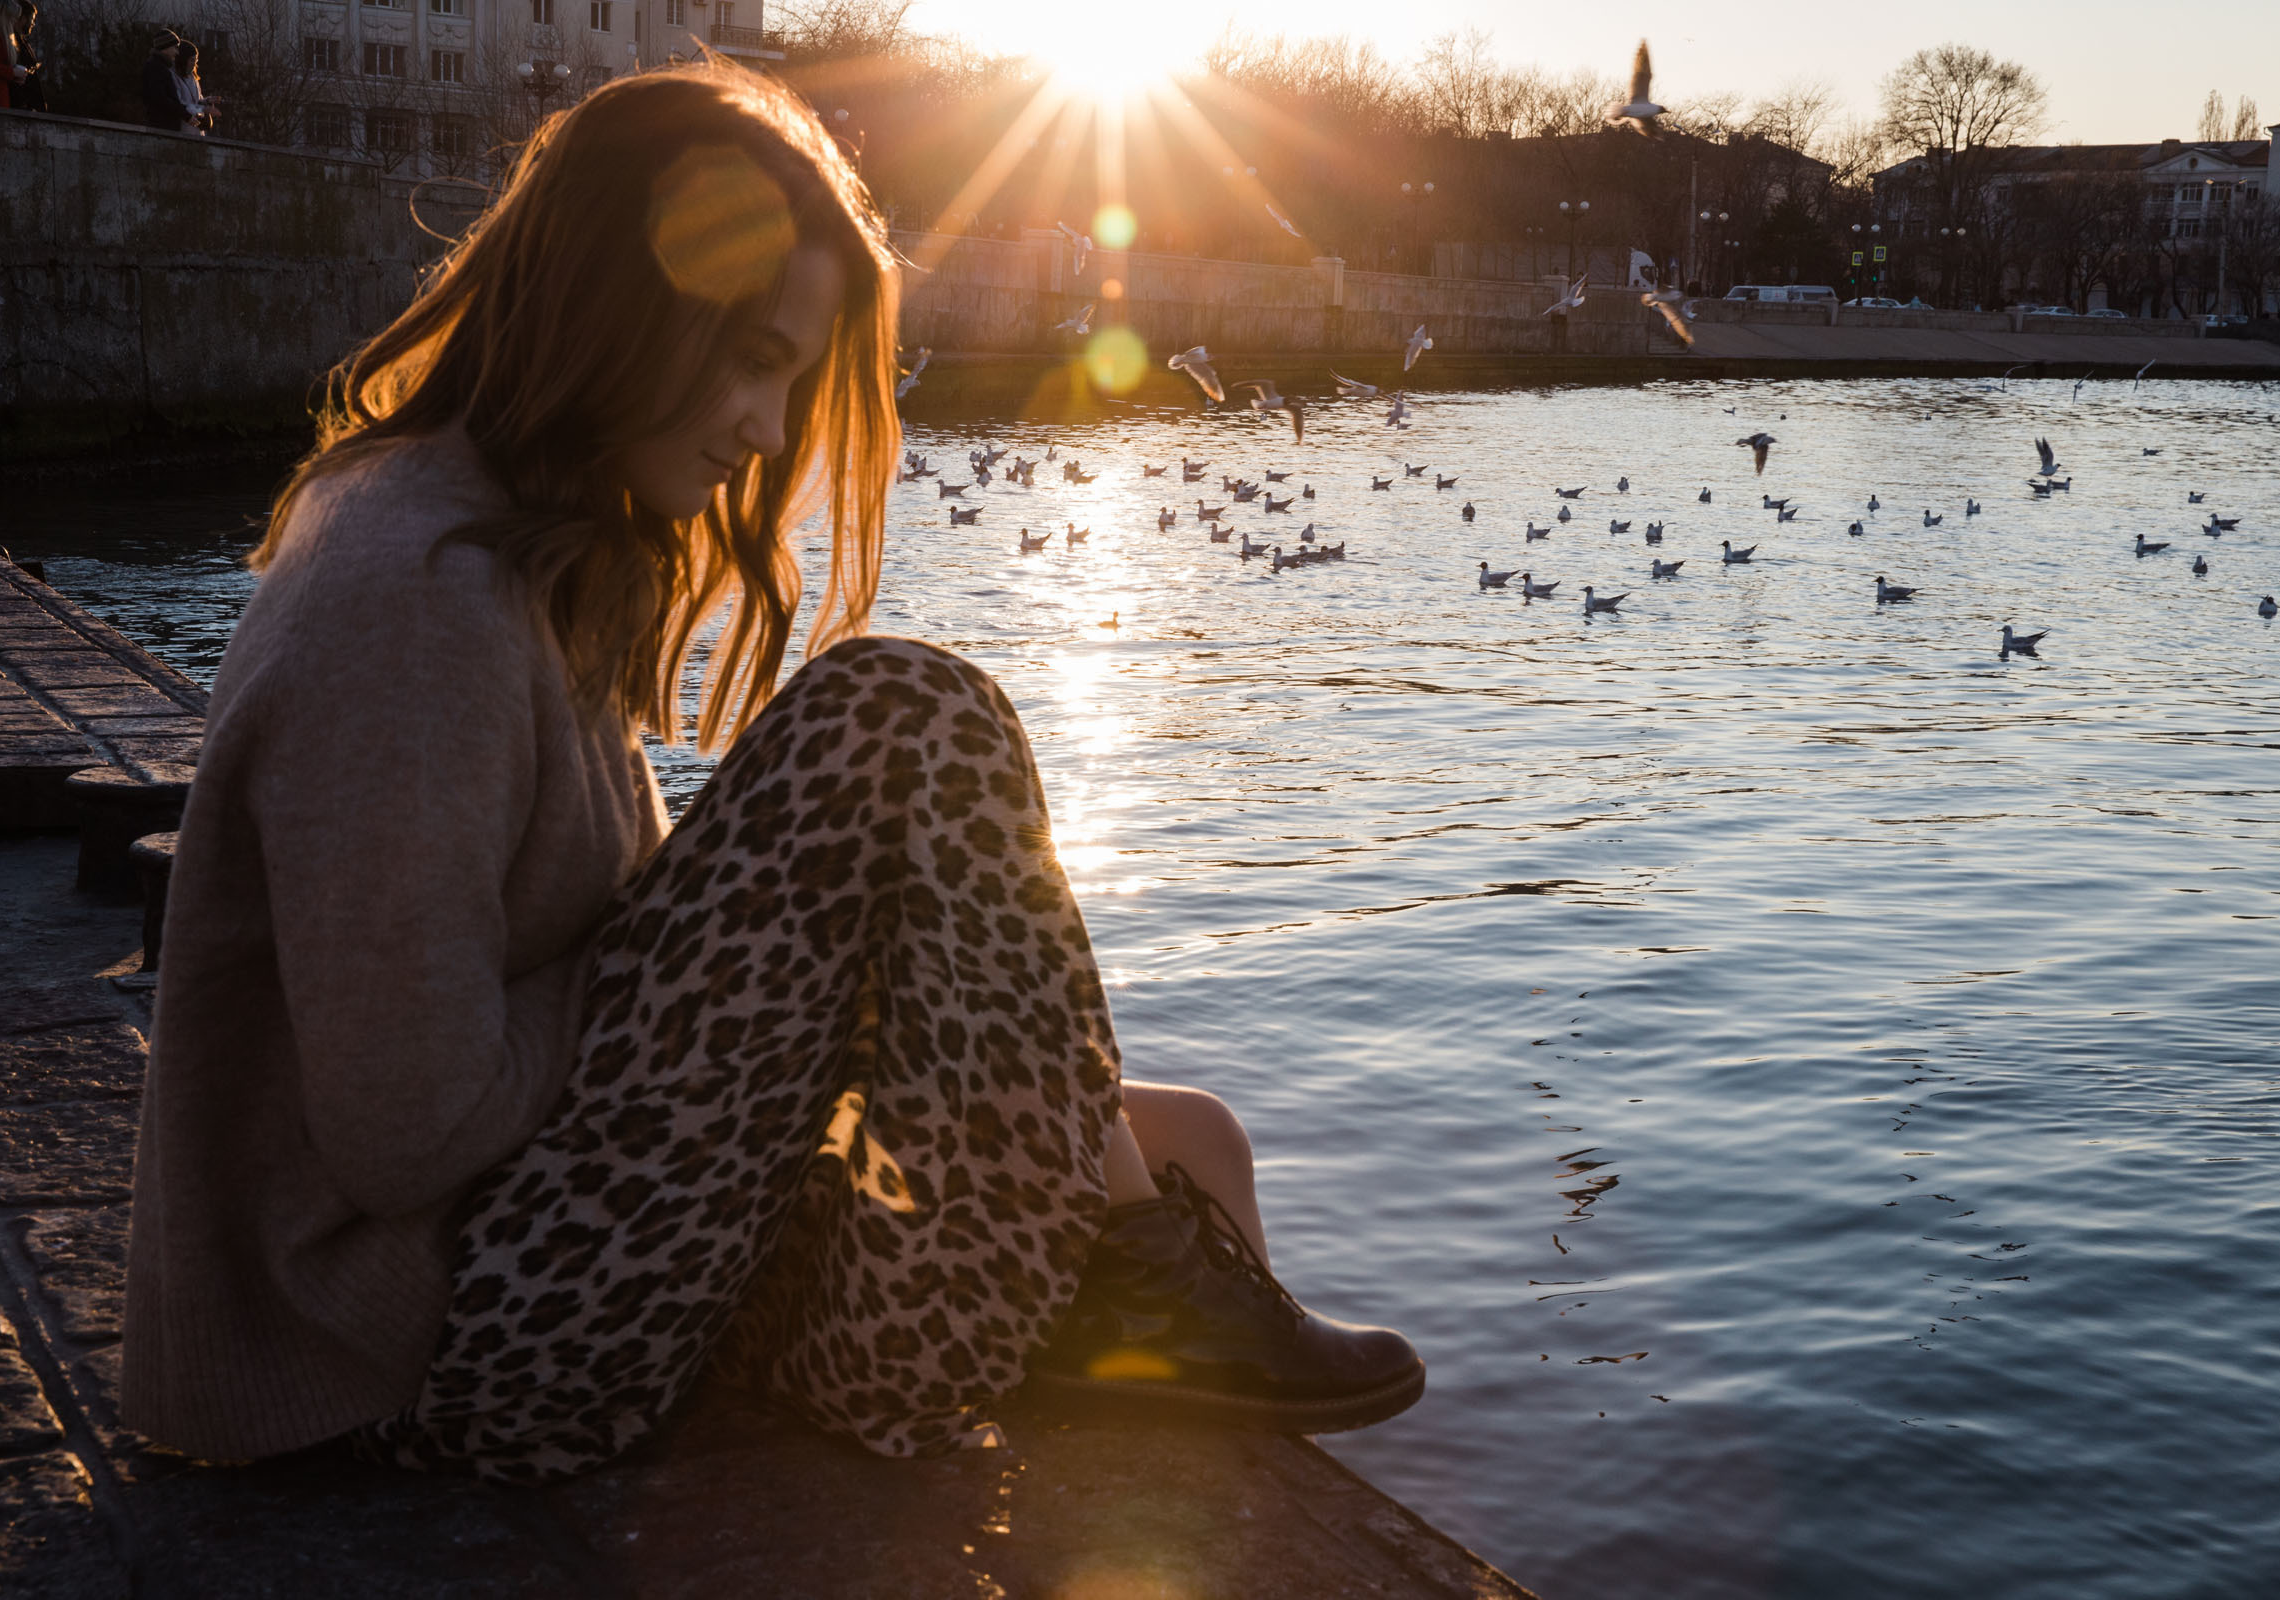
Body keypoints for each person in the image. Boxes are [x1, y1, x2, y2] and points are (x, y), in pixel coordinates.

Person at [121, 63, 1422, 1484]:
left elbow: (626, 995)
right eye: (749, 355)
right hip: (409, 1351)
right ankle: (1113, 1294)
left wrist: (787, 981)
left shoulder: (519, 550)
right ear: (617, 304)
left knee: (1188, 1143)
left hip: (548, 1261)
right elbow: (404, 1128)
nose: (764, 425)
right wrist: (778, 973)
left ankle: (1142, 1325)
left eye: (790, 375)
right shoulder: (412, 598)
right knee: (902, 719)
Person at [140, 30, 185, 132]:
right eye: (175, 48)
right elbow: (160, 98)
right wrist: (183, 113)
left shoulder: (160, 67)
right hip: (162, 128)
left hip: (163, 126)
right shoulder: (156, 67)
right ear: (166, 47)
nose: (177, 53)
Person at [171, 38, 218, 135]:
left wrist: (207, 101)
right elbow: (180, 105)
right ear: (183, 60)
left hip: (197, 130)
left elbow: (196, 101)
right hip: (183, 130)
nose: (194, 64)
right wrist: (203, 109)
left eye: (196, 61)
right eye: (192, 60)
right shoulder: (173, 76)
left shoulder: (193, 78)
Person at [8, 1, 46, 113]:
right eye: (32, 19)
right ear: (23, 18)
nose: (33, 23)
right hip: (22, 108)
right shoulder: (13, 43)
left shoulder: (22, 43)